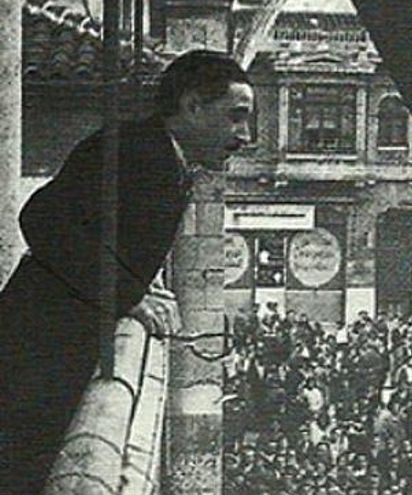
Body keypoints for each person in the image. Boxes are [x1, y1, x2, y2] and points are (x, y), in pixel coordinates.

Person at [0, 50, 254, 493]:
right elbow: (41, 218)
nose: (245, 135)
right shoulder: (136, 150)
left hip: (50, 350)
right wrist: (130, 295)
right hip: (34, 352)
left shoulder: (160, 155)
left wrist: (135, 288)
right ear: (193, 106)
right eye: (235, 116)